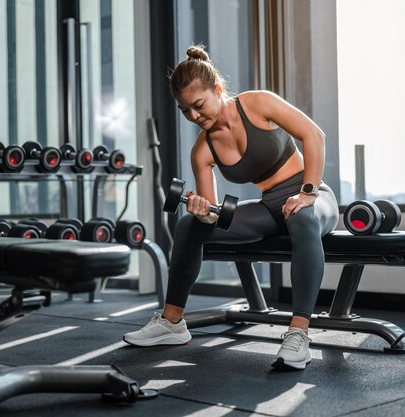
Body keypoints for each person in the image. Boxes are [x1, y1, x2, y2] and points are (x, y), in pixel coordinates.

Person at [123, 44, 339, 371]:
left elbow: (315, 136)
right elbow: (213, 214)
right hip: (270, 208)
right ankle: (172, 322)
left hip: (313, 197)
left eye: (198, 105)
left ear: (218, 90)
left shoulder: (257, 103)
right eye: (185, 111)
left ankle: (298, 335)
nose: (194, 116)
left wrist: (307, 193)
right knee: (188, 226)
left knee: (302, 219)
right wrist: (200, 211)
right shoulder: (202, 151)